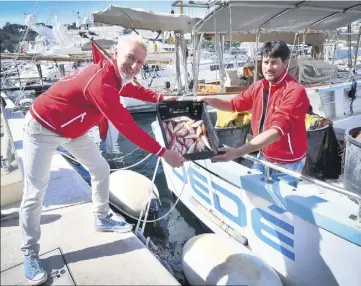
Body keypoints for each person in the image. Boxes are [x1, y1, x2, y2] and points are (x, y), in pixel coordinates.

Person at [20, 34, 184, 285]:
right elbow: (127, 126)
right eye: (130, 58)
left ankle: (101, 216)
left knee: (100, 168)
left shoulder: (115, 77)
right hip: (42, 128)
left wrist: (160, 98)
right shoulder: (101, 82)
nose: (135, 66)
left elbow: (130, 88)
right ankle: (29, 251)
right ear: (115, 53)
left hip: (71, 131)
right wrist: (164, 153)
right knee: (35, 192)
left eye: (140, 62)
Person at [198, 40, 310, 187]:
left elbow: (276, 131)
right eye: (266, 62)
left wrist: (237, 152)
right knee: (256, 192)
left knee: (278, 207)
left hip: (287, 163)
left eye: (274, 62)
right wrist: (208, 100)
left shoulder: (295, 91)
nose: (269, 67)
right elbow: (234, 104)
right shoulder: (259, 86)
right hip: (263, 155)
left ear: (285, 63)